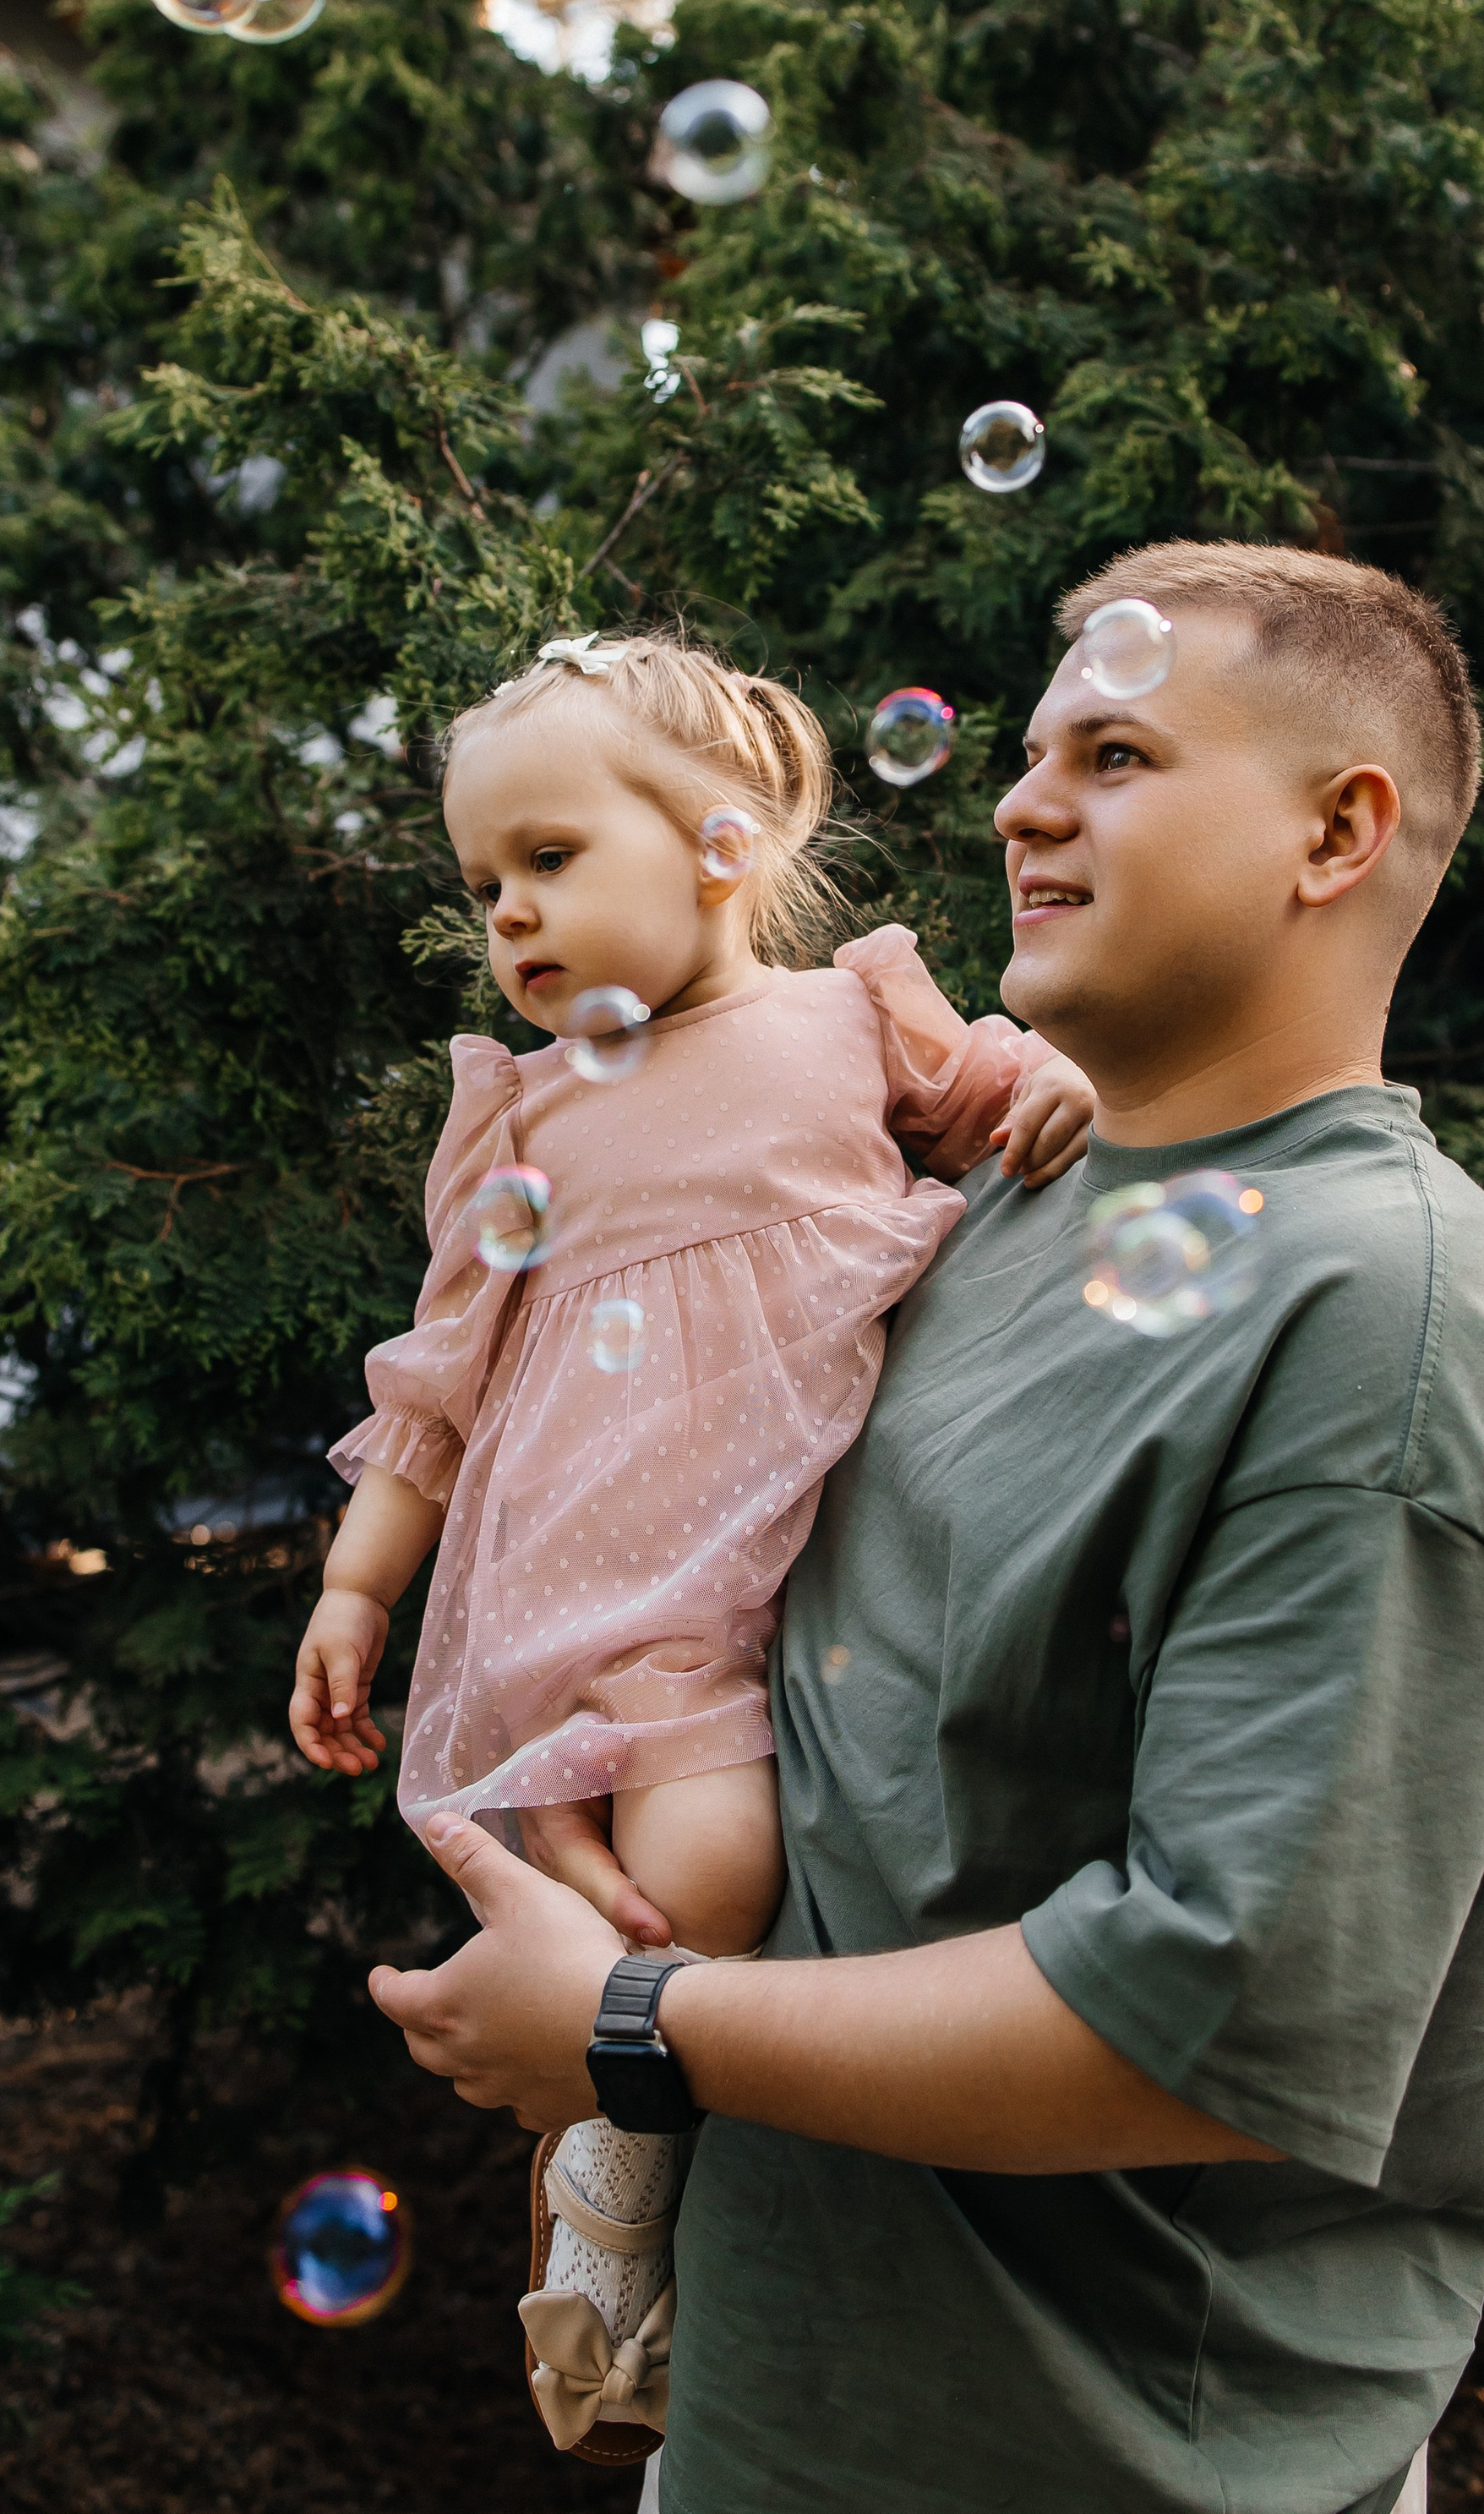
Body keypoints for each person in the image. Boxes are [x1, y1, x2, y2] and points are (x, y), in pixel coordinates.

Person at [367, 540, 1484, 2514]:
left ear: (1333, 832)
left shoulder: (1382, 1325)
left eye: (1113, 754)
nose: (1024, 801)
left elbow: (1187, 2026)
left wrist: (631, 2024)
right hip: (786, 2433)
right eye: (1029, 753)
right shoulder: (983, 1201)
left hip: (1088, 2465)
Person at [287, 628, 1096, 2462]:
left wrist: (1062, 1088)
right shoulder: (527, 1112)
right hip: (610, 1592)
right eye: (483, 881)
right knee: (697, 1883)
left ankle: (618, 2164)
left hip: (781, 1571)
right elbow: (435, 1387)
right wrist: (354, 1585)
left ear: (722, 848)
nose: (507, 914)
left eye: (551, 859)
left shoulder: (849, 1019)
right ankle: (611, 2196)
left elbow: (1010, 1103)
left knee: (685, 1896)